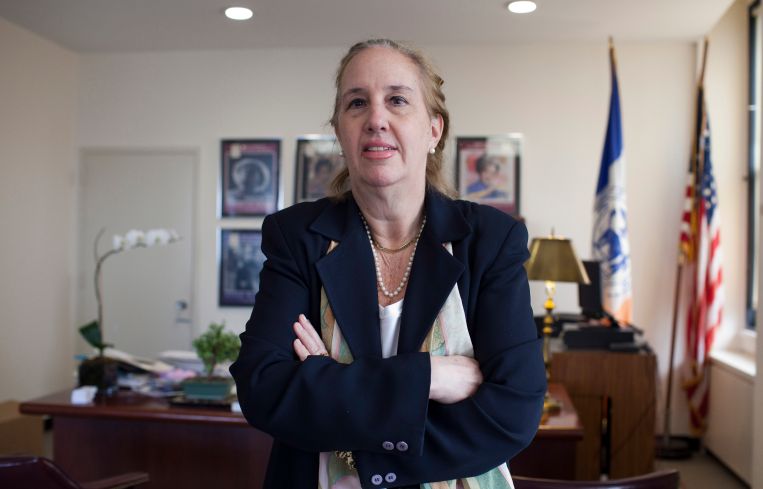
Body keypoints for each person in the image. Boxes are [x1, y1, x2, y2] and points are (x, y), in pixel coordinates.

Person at [230, 39, 546, 489]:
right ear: (340, 131)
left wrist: (330, 382)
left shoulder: (491, 240)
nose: (376, 119)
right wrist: (428, 378)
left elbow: (513, 413)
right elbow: (262, 389)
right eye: (357, 103)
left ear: (433, 130)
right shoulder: (297, 237)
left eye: (397, 100)